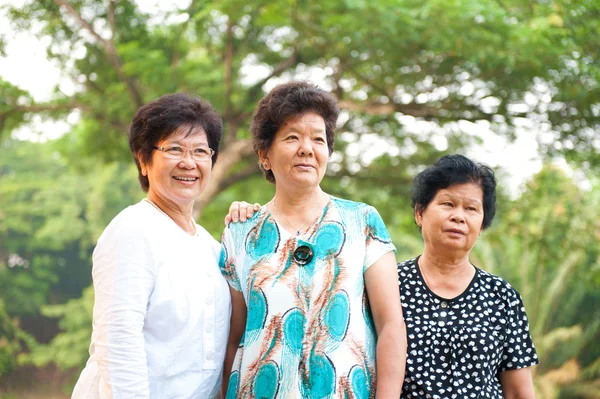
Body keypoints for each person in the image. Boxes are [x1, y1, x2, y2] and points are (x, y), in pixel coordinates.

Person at [219, 81, 406, 399]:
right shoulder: (240, 233)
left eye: (318, 139)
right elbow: (233, 335)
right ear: (265, 155)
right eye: (292, 137)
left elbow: (391, 324)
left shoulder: (362, 222)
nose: (307, 148)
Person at [72, 93, 229, 398]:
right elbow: (118, 343)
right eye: (174, 148)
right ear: (144, 160)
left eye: (200, 150)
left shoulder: (210, 246)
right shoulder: (132, 231)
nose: (189, 162)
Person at [399, 154, 538, 398]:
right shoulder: (388, 284)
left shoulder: (503, 297)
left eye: (471, 208)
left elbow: (518, 392)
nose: (459, 217)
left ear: (482, 222)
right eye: (448, 204)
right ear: (420, 213)